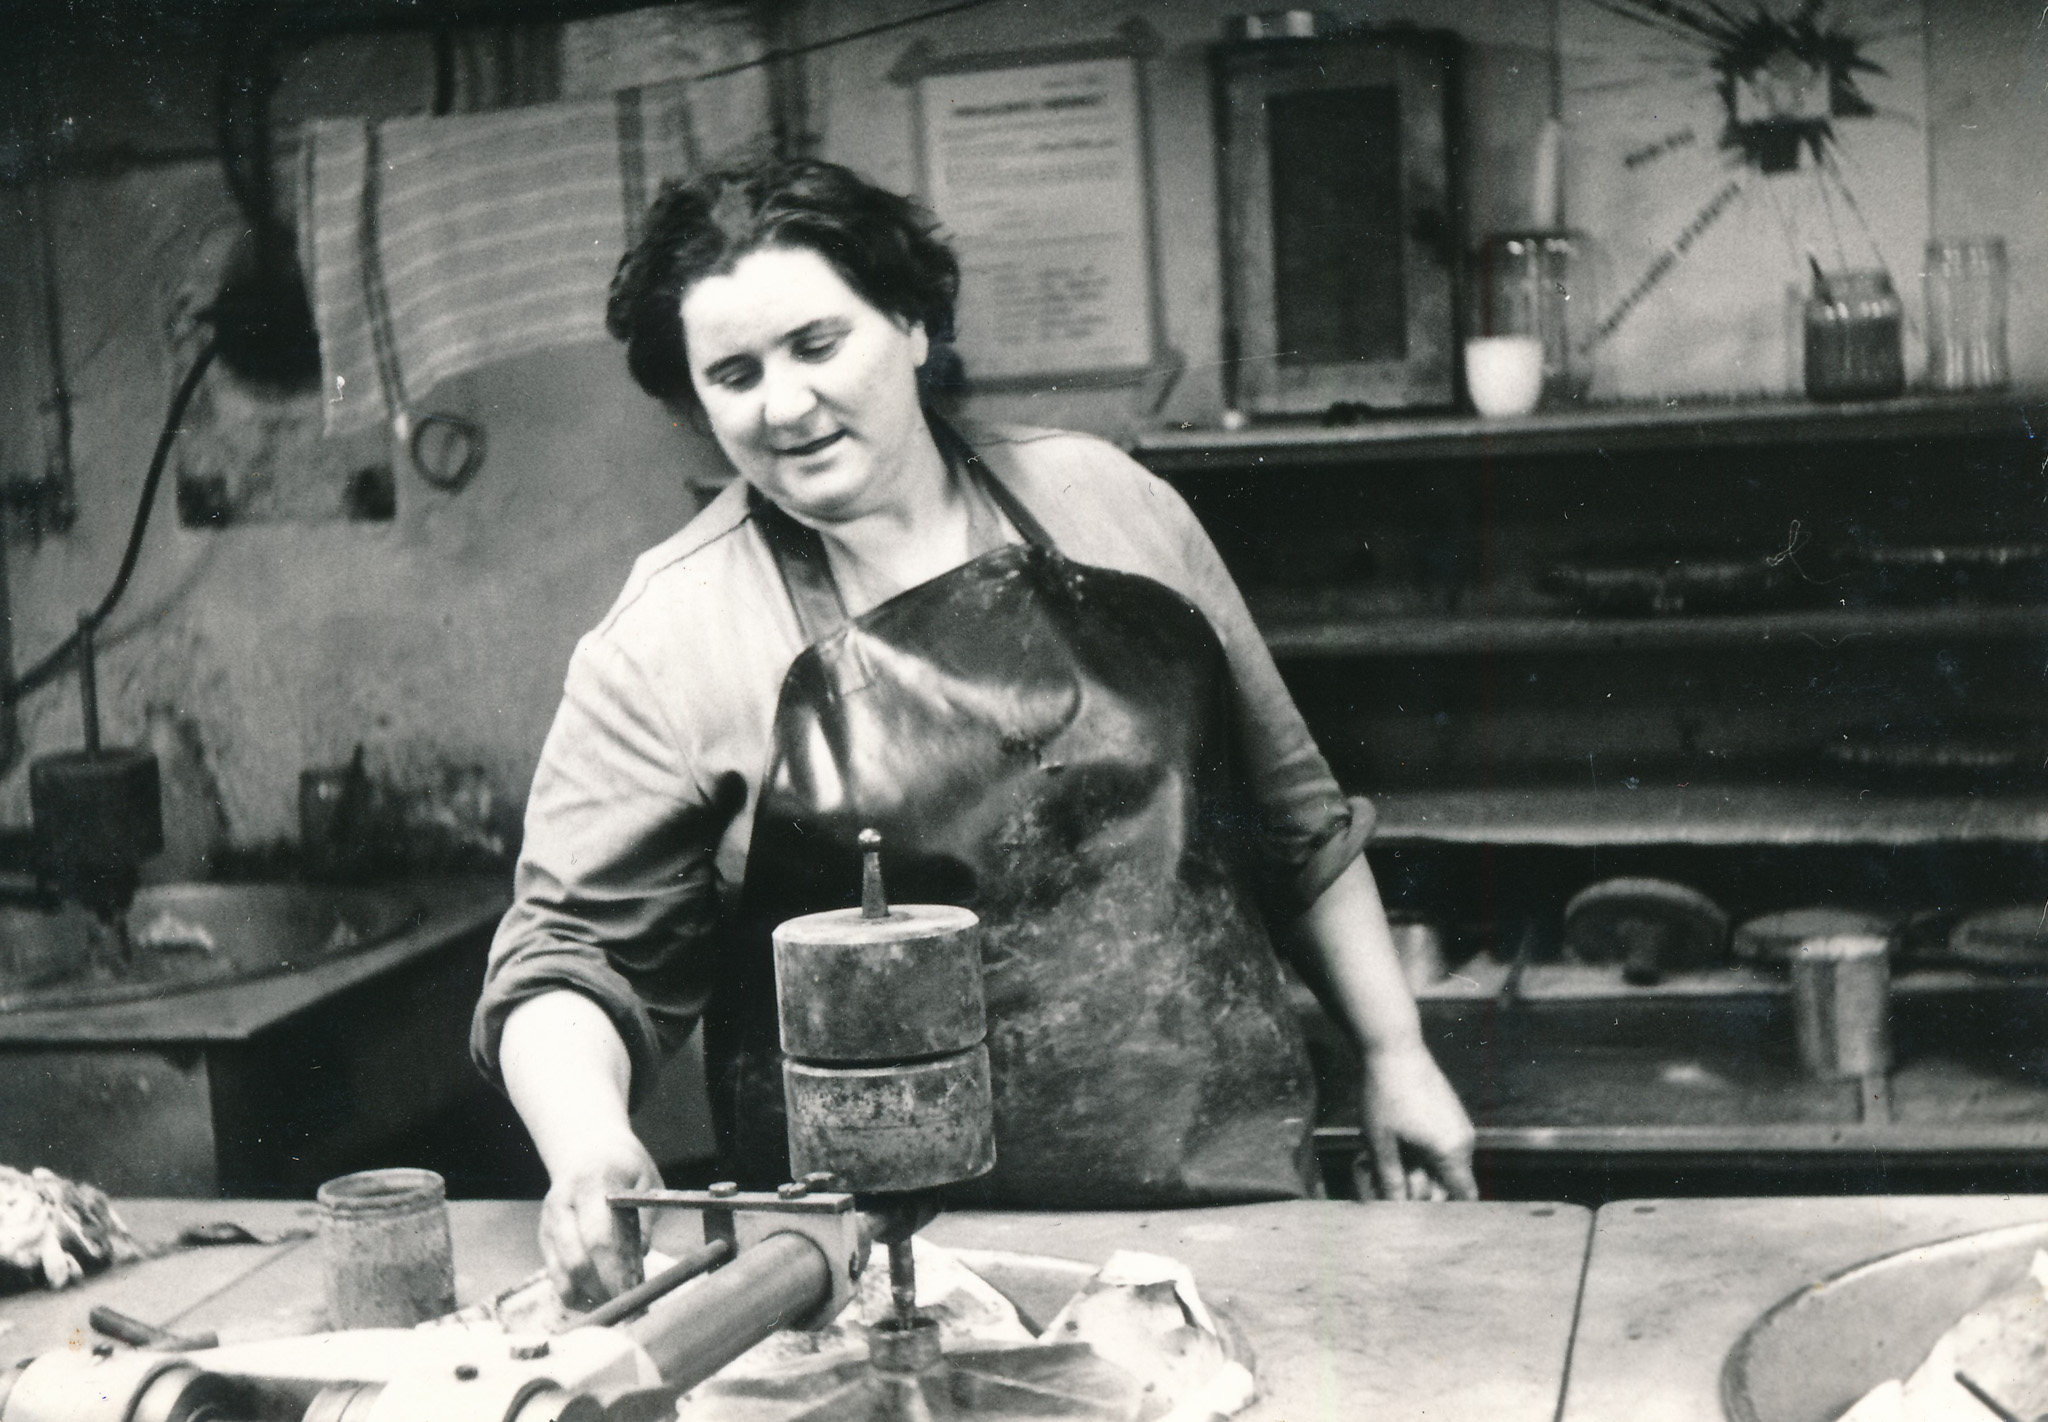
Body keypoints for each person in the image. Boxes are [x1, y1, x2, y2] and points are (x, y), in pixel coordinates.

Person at [471, 157, 1477, 1307]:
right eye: (734, 375)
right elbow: (571, 955)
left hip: (1226, 1211)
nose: (784, 405)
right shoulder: (667, 635)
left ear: (910, 323)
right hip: (875, 1271)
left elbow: (1296, 823)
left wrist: (1395, 1054)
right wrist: (587, 1141)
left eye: (816, 344)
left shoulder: (1110, 503)